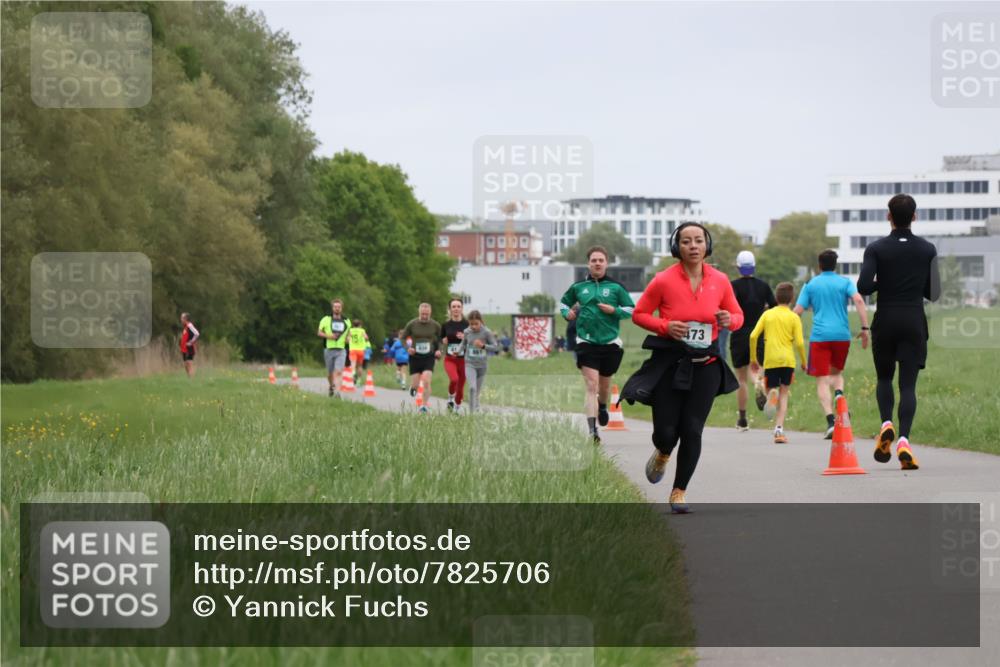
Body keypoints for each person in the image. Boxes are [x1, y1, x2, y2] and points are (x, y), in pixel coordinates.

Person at [624, 223, 742, 513]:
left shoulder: (720, 280)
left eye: (698, 241)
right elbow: (639, 314)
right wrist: (666, 326)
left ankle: (679, 491)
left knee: (692, 429)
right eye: (686, 241)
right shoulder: (663, 280)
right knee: (666, 431)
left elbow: (738, 315)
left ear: (706, 246)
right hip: (670, 365)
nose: (693, 246)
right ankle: (663, 452)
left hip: (706, 366)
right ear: (677, 247)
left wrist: (731, 320)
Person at [857, 194, 939, 471]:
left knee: (884, 378)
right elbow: (934, 293)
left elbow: (864, 286)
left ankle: (886, 424)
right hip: (914, 321)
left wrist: (884, 282)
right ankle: (904, 440)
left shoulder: (876, 249)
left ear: (888, 216)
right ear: (914, 216)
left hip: (886, 320)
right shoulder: (927, 249)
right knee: (908, 386)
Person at [560, 246, 636, 444]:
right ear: (588, 263)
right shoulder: (578, 287)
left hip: (610, 343)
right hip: (586, 341)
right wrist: (566, 313)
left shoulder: (616, 288)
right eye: (593, 260)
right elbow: (563, 303)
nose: (597, 263)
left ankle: (603, 405)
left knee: (604, 385)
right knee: (591, 385)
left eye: (601, 260)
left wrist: (614, 311)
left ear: (606, 263)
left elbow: (630, 309)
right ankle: (592, 430)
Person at [793, 250, 870, 439]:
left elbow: (797, 312)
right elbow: (859, 300)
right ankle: (839, 394)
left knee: (822, 379)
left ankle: (830, 422)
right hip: (841, 336)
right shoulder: (844, 282)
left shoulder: (811, 285)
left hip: (820, 337)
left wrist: (789, 333)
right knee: (837, 374)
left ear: (819, 265)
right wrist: (865, 328)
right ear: (835, 265)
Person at [749, 282, 807, 443]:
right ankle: (779, 430)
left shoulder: (767, 315)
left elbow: (753, 336)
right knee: (784, 394)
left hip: (771, 361)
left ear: (776, 297)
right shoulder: (794, 317)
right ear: (792, 299)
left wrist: (754, 359)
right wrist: (803, 361)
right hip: (787, 361)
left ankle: (770, 394)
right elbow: (800, 343)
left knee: (772, 389)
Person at [729, 250, 777, 431]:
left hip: (739, 333)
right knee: (755, 369)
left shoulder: (733, 286)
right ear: (754, 267)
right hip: (759, 333)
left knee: (741, 379)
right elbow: (774, 306)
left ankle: (742, 420)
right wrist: (763, 311)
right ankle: (758, 382)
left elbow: (726, 305)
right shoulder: (763, 286)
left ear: (738, 267)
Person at [403, 303, 442, 413]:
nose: (425, 316)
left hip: (429, 356)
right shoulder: (412, 324)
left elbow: (441, 339)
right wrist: (407, 348)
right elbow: (403, 338)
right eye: (423, 313)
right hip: (415, 357)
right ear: (419, 312)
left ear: (430, 313)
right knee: (415, 384)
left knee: (426, 381)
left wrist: (440, 350)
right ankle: (413, 388)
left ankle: (423, 406)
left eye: (427, 314)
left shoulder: (435, 325)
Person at [457, 310, 499, 413]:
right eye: (471, 324)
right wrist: (458, 351)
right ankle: (472, 414)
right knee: (472, 388)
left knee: (477, 391)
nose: (474, 326)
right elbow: (463, 343)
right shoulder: (467, 331)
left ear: (481, 321)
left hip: (482, 366)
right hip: (469, 364)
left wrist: (483, 346)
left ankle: (476, 407)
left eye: (476, 324)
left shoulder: (486, 332)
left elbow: (495, 347)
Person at [317, 299, 351, 397]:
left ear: (341, 308)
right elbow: (319, 332)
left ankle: (337, 392)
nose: (337, 309)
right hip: (329, 349)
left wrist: (348, 338)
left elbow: (349, 332)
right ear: (332, 308)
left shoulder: (346, 320)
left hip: (341, 349)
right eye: (335, 307)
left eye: (339, 307)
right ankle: (331, 386)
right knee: (330, 373)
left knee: (339, 371)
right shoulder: (326, 319)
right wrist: (329, 336)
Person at [442, 298, 470, 413]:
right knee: (454, 379)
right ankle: (450, 398)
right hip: (450, 359)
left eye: (458, 306)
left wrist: (465, 338)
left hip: (464, 360)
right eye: (453, 307)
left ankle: (457, 409)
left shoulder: (467, 325)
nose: (456, 309)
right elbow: (441, 340)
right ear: (450, 309)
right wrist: (443, 342)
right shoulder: (445, 325)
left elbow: (474, 341)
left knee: (461, 387)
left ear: (462, 308)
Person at [347, 318, 370, 383]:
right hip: (360, 350)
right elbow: (366, 338)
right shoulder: (362, 330)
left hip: (353, 349)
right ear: (360, 325)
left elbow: (348, 339)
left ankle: (353, 374)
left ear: (353, 325)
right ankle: (359, 380)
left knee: (353, 364)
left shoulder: (350, 330)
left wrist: (350, 341)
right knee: (359, 366)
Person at [179, 312, 200, 378]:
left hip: (190, 348)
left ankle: (192, 379)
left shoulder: (189, 325)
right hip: (184, 349)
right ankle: (190, 378)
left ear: (186, 319)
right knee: (185, 365)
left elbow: (197, 333)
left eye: (182, 318)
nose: (181, 319)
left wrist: (191, 342)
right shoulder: (185, 327)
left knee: (189, 364)